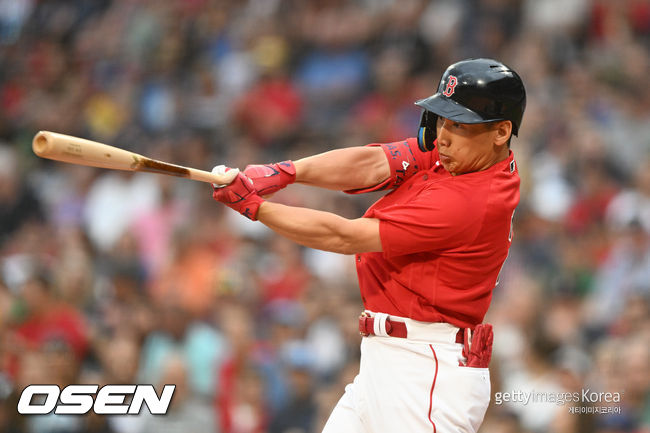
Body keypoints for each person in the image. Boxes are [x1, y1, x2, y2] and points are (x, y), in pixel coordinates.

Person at [211, 58, 526, 433]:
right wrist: (284, 173)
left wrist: (256, 208)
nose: (442, 135)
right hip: (390, 361)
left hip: (425, 372)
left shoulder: (472, 200)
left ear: (501, 131)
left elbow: (344, 236)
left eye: (459, 124)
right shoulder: (463, 159)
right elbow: (371, 163)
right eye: (442, 119)